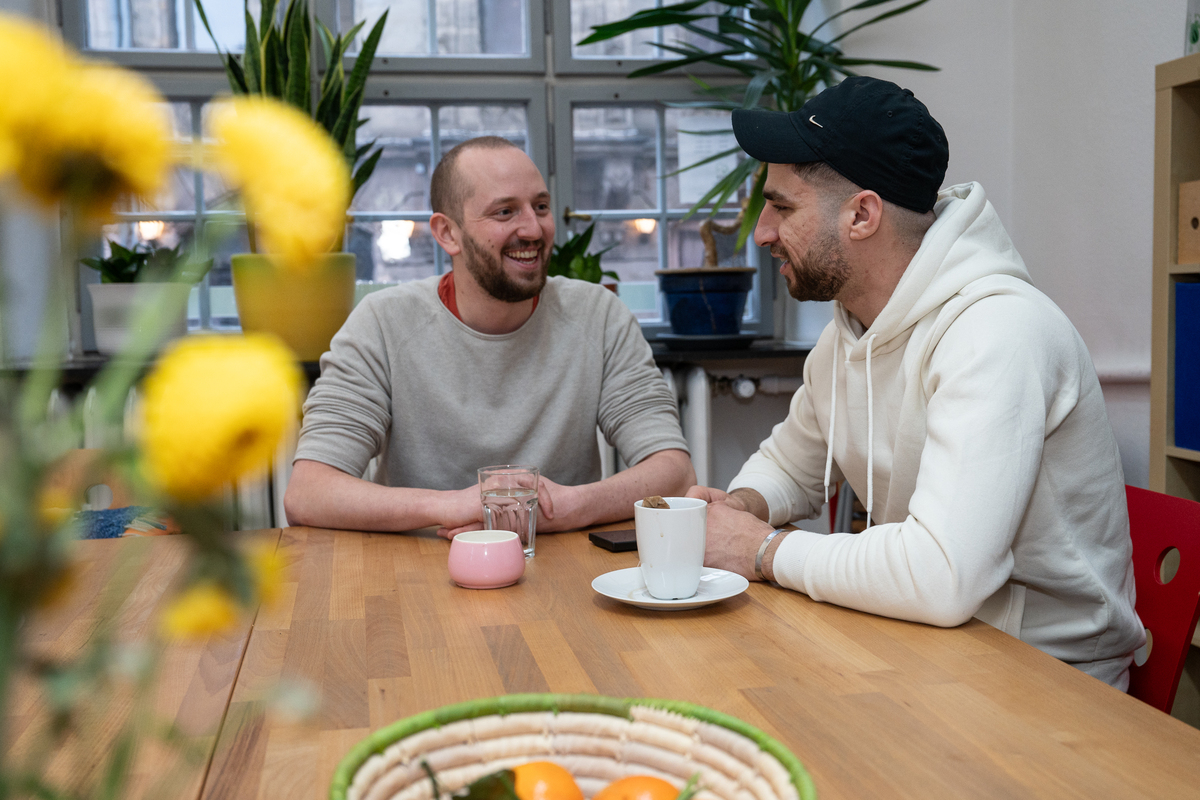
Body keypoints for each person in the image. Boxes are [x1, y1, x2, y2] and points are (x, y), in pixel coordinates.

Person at [689, 77, 1144, 689]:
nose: (762, 232)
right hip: (934, 648)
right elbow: (791, 466)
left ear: (862, 214)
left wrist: (761, 551)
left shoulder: (997, 331)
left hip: (1051, 680)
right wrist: (739, 508)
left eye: (783, 207)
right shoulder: (848, 332)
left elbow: (943, 575)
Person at [285, 136, 694, 536]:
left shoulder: (599, 317)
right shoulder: (382, 323)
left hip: (562, 570)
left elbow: (673, 472)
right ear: (448, 233)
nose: (533, 229)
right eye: (504, 212)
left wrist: (568, 506)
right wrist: (455, 506)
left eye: (541, 206)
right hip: (416, 573)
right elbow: (309, 492)